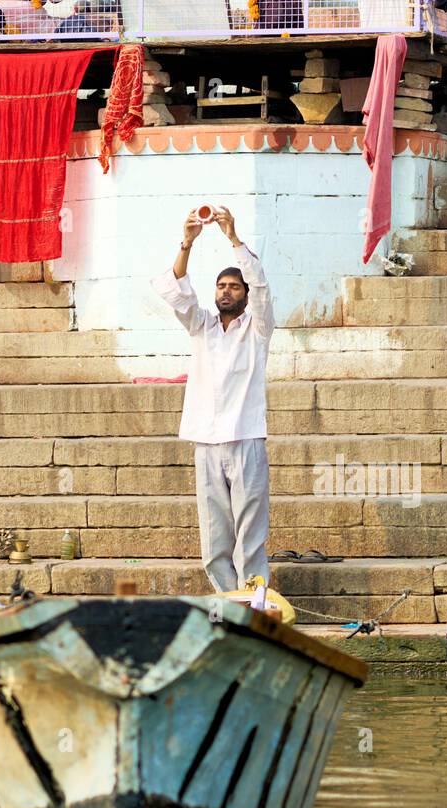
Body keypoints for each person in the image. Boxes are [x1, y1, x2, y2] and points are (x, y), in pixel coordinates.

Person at [152, 205, 274, 594]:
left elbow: (263, 288)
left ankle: (254, 596)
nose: (226, 291)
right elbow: (177, 292)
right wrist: (187, 242)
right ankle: (227, 596)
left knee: (249, 529)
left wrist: (233, 238)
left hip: (246, 438)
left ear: (245, 295)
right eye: (221, 286)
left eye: (234, 287)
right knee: (214, 531)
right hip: (205, 441)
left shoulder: (257, 328)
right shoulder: (201, 324)